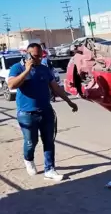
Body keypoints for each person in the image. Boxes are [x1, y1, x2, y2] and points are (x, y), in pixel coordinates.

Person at [7, 43, 78, 182]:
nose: (39, 58)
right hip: (27, 114)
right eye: (35, 56)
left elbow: (55, 87)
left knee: (49, 141)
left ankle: (49, 169)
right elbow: (11, 85)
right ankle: (28, 159)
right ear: (27, 54)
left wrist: (69, 101)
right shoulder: (17, 68)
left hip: (46, 111)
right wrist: (27, 70)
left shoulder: (44, 69)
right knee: (31, 142)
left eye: (41, 55)